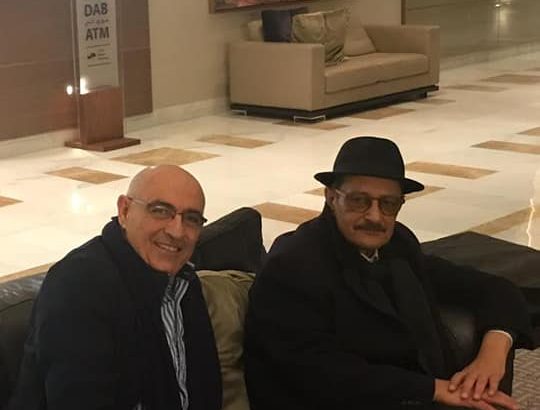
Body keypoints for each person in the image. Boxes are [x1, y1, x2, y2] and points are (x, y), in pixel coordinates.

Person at [244, 137, 533, 410]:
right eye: (359, 200)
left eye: (388, 204)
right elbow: (317, 372)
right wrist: (433, 389)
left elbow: (493, 288)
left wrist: (494, 350)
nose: (374, 216)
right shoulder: (293, 264)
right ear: (331, 198)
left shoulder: (398, 245)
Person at [10, 165, 222, 410]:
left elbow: (206, 388)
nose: (177, 231)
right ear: (124, 211)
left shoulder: (184, 281)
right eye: (161, 211)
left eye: (191, 219)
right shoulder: (79, 287)